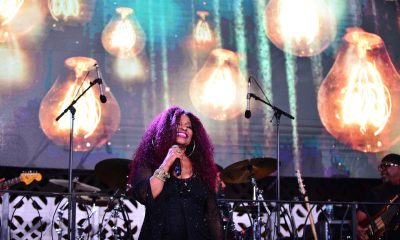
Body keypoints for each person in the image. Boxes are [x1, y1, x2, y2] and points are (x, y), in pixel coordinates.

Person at [128, 106, 223, 240]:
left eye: (189, 126)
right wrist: (167, 162)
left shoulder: (202, 168)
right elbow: (145, 196)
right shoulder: (150, 161)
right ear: (166, 130)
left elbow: (212, 214)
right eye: (178, 124)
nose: (184, 128)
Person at [356, 153, 400, 240]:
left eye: (386, 166)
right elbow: (357, 220)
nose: (382, 170)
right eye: (381, 167)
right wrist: (356, 228)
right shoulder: (375, 193)